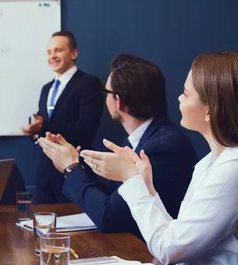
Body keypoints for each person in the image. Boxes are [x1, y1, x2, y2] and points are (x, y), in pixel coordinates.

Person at [80, 52, 238, 265]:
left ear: (209, 111)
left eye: (186, 93)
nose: (179, 98)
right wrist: (147, 187)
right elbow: (175, 236)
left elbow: (168, 248)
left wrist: (131, 180)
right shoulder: (210, 163)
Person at [39, 54, 196, 237]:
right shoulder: (141, 139)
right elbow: (112, 193)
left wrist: (70, 168)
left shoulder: (161, 147)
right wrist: (75, 163)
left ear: (118, 101)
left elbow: (109, 217)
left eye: (107, 93)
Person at [20, 31, 103, 203]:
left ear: (74, 53)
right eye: (49, 52)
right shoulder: (46, 88)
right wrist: (35, 134)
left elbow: (86, 129)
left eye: (58, 50)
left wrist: (43, 128)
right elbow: (44, 126)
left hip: (75, 173)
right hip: (45, 176)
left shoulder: (88, 84)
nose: (52, 56)